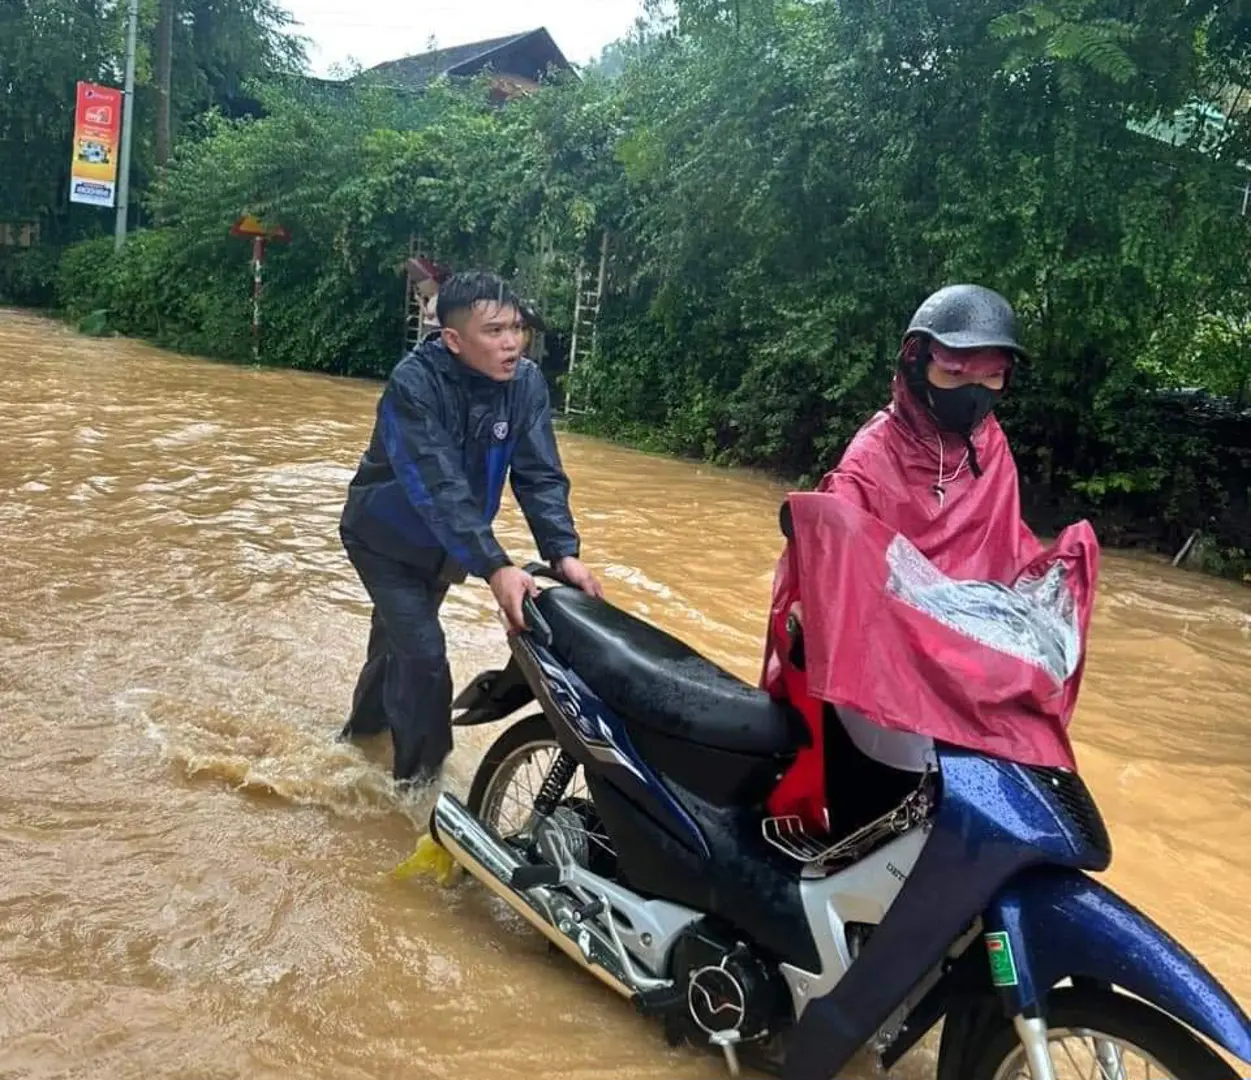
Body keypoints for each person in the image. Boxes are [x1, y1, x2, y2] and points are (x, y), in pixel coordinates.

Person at [760, 284, 1099, 831]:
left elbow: (1006, 547)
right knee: (875, 813)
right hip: (888, 664)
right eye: (956, 373)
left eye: (990, 377)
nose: (974, 392)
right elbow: (837, 529)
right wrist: (811, 597)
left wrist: (1046, 606)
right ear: (918, 367)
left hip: (963, 665)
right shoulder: (875, 452)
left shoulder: (992, 448)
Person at [338, 270, 603, 788]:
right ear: (454, 340)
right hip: (385, 541)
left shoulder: (524, 383)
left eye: (517, 328)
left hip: (446, 548)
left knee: (398, 644)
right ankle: (419, 790)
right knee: (424, 652)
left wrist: (562, 551)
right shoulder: (414, 385)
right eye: (495, 331)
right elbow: (438, 486)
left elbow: (539, 473)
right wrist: (495, 567)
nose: (512, 342)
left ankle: (358, 740)